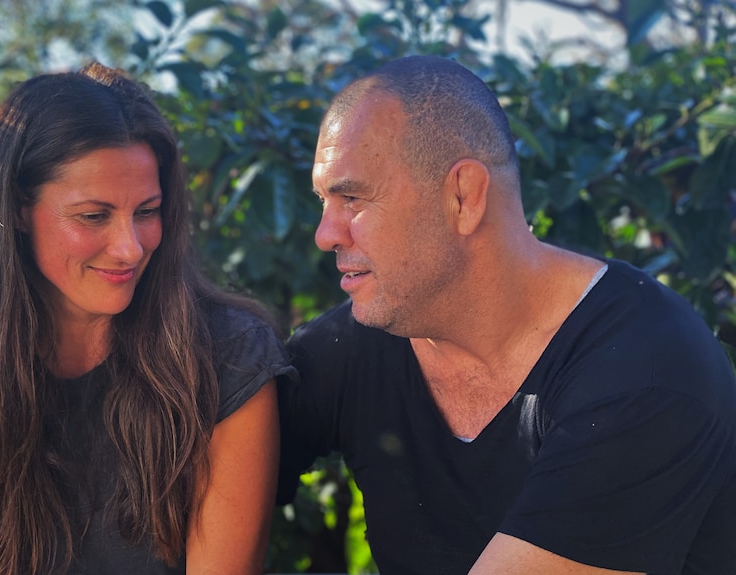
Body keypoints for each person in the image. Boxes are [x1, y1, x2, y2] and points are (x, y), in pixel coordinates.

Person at [277, 55, 736, 575]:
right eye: (323, 201)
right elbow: (184, 483)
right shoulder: (360, 345)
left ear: (463, 195)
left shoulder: (648, 370)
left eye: (352, 198)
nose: (325, 234)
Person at [0, 63, 293, 575]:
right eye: (93, 216)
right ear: (20, 209)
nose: (130, 248)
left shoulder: (230, 358)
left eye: (147, 211)